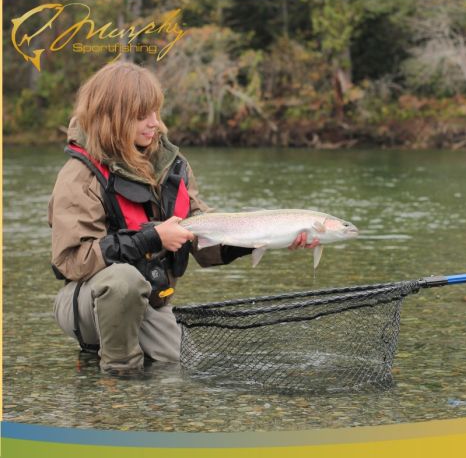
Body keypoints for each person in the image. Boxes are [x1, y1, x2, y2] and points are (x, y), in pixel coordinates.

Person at [49, 62, 316, 372]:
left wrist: (263, 240)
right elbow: (72, 260)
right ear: (112, 119)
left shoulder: (173, 167)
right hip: (87, 303)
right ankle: (118, 378)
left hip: (150, 303)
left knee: (186, 369)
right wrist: (153, 238)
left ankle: (134, 356)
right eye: (142, 116)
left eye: (156, 112)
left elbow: (205, 241)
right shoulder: (78, 177)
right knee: (123, 282)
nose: (155, 124)